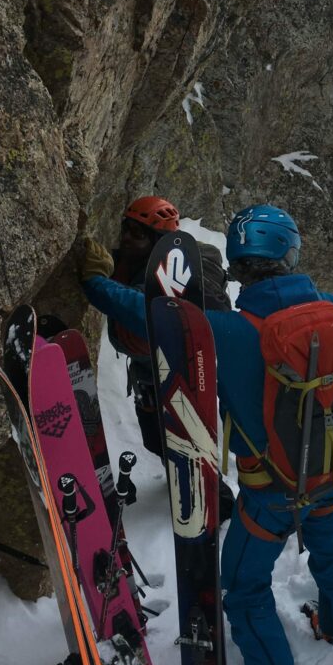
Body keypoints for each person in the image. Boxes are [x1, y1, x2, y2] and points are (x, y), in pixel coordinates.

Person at [78, 204, 333, 665]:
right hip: (329, 479)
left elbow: (146, 314)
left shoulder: (226, 332)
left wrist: (95, 282)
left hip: (267, 493)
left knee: (243, 582)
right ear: (290, 253)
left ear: (237, 264)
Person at [79, 195, 236, 520]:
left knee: (188, 449)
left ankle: (218, 508)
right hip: (149, 374)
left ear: (156, 240)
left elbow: (146, 312)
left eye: (136, 232)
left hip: (181, 377)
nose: (125, 236)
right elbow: (124, 267)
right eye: (125, 228)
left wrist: (95, 283)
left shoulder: (175, 270)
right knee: (156, 441)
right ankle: (183, 481)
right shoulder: (137, 260)